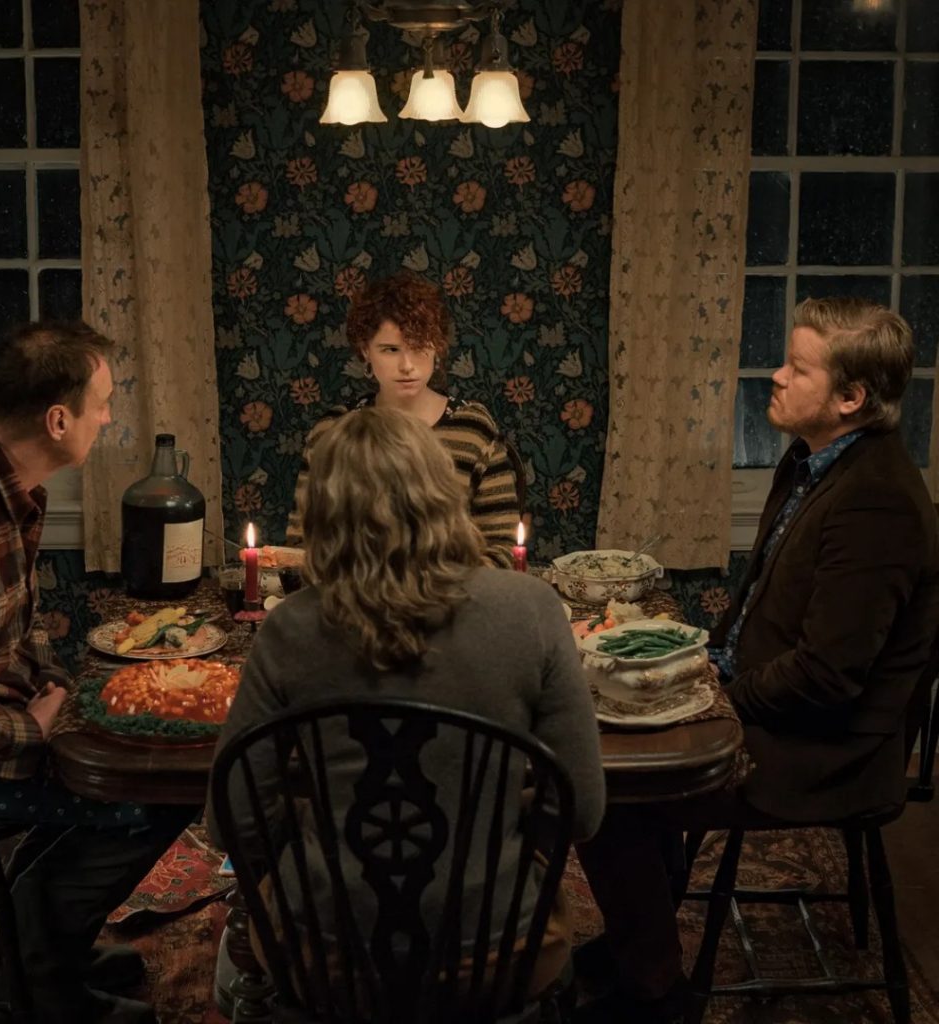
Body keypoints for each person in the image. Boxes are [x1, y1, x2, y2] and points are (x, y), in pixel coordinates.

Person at [573, 297, 939, 1023]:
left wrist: (710, 698)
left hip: (828, 751)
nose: (776, 375)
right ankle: (640, 941)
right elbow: (761, 621)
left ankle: (654, 993)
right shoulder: (813, 461)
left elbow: (828, 677)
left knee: (607, 789)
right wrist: (698, 662)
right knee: (618, 733)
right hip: (777, 706)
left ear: (849, 397)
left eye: (798, 368)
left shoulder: (879, 503)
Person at [210, 406, 605, 1008]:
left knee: (239, 955)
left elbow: (232, 821)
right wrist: (500, 822)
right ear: (445, 495)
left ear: (322, 516)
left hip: (325, 954)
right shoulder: (532, 609)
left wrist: (312, 828)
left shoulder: (287, 629)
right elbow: (582, 809)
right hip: (498, 947)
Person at [0, 321, 197, 1024]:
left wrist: (56, 683)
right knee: (147, 796)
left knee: (139, 769)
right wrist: (29, 733)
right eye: (101, 404)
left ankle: (31, 952)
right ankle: (42, 984)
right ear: (57, 420)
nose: (107, 418)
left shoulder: (9, 483)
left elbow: (16, 622)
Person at [286, 271, 522, 568]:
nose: (407, 365)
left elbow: (503, 548)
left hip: (454, 590)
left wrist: (437, 582)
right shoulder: (335, 431)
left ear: (437, 348)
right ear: (365, 350)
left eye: (419, 347)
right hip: (356, 591)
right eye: (391, 350)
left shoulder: (472, 428)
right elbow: (301, 544)